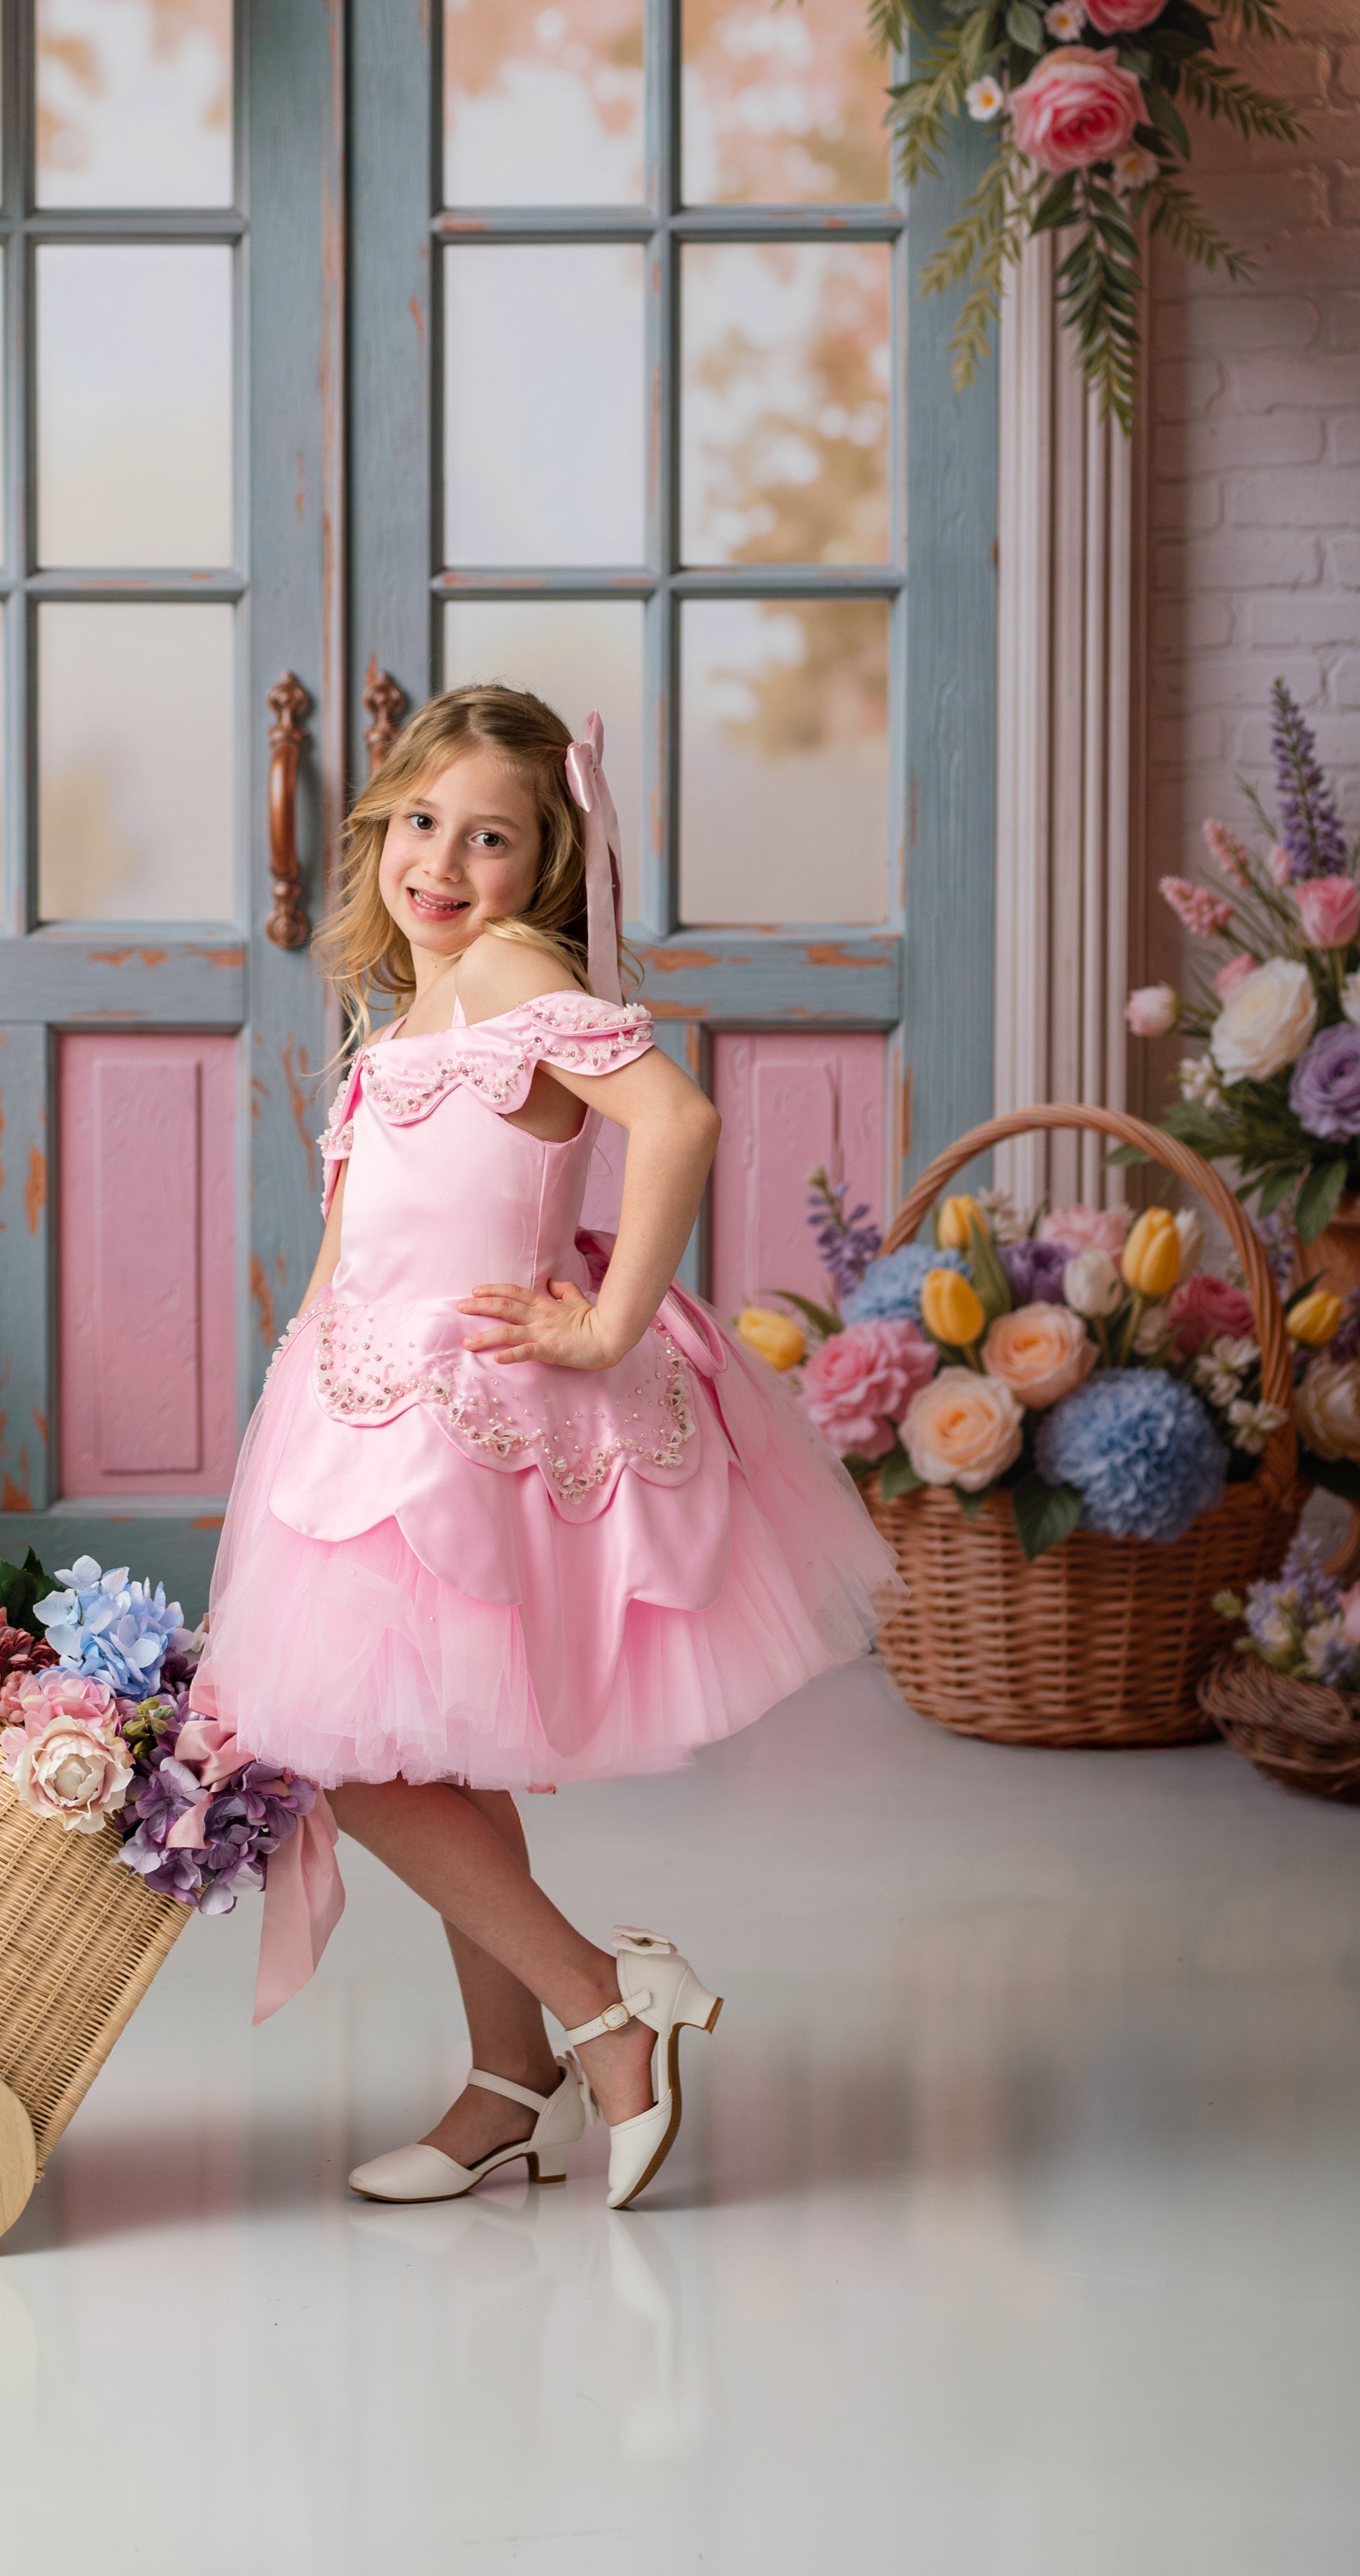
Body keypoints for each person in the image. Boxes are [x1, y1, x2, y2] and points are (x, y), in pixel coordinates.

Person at [201, 684, 899, 2209]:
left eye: (493, 837)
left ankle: (603, 2008)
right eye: (421, 824)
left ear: (549, 859)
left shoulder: (517, 973)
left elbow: (679, 1124)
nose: (444, 863)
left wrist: (601, 1328)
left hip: (460, 1418)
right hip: (364, 1407)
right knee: (431, 1745)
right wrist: (295, 1383)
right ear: (379, 826)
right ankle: (510, 2084)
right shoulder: (418, 997)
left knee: (349, 1750)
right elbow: (350, 1237)